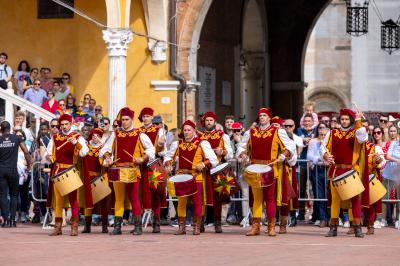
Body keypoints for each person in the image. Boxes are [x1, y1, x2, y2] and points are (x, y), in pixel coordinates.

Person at [236, 107, 296, 236]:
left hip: (271, 169)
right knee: (257, 199)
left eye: (264, 115)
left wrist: (284, 154)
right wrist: (243, 155)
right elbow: (241, 146)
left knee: (269, 199)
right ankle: (255, 226)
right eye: (260, 115)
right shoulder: (250, 132)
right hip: (254, 169)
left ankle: (271, 226)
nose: (262, 117)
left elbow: (290, 145)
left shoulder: (278, 131)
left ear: (269, 117)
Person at [100, 107, 155, 235]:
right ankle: (117, 227)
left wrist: (142, 158)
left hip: (132, 169)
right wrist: (108, 158)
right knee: (118, 199)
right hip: (117, 169)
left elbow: (151, 150)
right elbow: (105, 149)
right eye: (122, 119)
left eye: (126, 119)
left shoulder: (140, 134)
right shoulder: (115, 134)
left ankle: (137, 227)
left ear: (132, 120)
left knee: (134, 197)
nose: (124, 122)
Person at [164, 120, 218, 235]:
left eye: (189, 130)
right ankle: (181, 227)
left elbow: (214, 159)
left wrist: (203, 164)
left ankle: (196, 226)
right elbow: (168, 156)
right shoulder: (177, 144)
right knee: (181, 202)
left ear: (194, 131)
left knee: (197, 202)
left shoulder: (202, 143)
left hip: (196, 176)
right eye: (185, 130)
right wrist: (168, 164)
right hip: (181, 176)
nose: (187, 132)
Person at [321, 108, 367, 238]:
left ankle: (357, 227)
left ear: (351, 120)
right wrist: (325, 155)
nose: (344, 121)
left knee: (355, 200)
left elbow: (363, 136)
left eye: (347, 119)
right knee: (335, 200)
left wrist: (358, 120)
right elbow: (323, 147)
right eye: (342, 119)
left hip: (351, 171)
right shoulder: (332, 133)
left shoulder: (356, 133)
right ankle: (333, 227)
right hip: (336, 170)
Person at [45, 114, 89, 236]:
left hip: (70, 171)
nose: (64, 126)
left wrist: (76, 143)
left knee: (73, 200)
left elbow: (85, 152)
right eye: (62, 124)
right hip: (58, 170)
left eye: (66, 124)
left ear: (71, 124)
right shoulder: (55, 137)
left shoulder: (77, 137)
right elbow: (48, 154)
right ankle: (58, 227)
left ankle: (74, 227)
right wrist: (48, 157)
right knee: (58, 200)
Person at [199, 111, 233, 233]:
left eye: (211, 120)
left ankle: (217, 223)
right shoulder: (199, 135)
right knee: (202, 196)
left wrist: (222, 152)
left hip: (218, 170)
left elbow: (230, 154)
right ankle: (200, 222)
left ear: (215, 122)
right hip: (203, 170)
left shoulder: (223, 136)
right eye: (207, 120)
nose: (209, 122)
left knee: (218, 197)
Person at [137, 107, 167, 233]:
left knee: (156, 192)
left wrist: (160, 146)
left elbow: (163, 150)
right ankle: (138, 221)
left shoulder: (159, 130)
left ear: (152, 117)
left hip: (155, 165)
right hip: (142, 166)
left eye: (148, 116)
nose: (145, 118)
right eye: (143, 116)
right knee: (142, 193)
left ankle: (157, 221)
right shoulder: (137, 131)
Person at [0, 121, 31, 227]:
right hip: (13, 170)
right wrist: (29, 165)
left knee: (3, 195)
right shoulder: (17, 138)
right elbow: (26, 152)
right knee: (14, 195)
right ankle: (13, 221)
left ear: (1, 129)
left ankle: (6, 220)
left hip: (1, 170)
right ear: (10, 129)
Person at [81, 128, 109, 234]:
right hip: (88, 178)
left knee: (103, 202)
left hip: (100, 177)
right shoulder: (86, 148)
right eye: (93, 135)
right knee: (88, 201)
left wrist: (103, 144)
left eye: (97, 135)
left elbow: (106, 162)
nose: (95, 137)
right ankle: (87, 226)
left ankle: (104, 226)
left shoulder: (104, 149)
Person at [307, 122, 329, 228]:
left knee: (329, 194)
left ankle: (330, 217)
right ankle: (322, 218)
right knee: (319, 195)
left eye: (324, 128)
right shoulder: (313, 141)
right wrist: (320, 159)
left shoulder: (329, 140)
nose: (322, 130)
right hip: (317, 169)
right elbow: (309, 155)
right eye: (320, 128)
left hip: (328, 169)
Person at [361, 141, 385, 235]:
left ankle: (370, 226)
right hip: (357, 176)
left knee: (370, 203)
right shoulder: (353, 146)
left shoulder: (375, 148)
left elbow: (382, 162)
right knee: (355, 201)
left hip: (370, 177)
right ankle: (354, 225)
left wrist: (378, 160)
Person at [296, 113, 315, 221]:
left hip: (313, 164)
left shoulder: (316, 130)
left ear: (312, 122)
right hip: (303, 163)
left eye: (309, 121)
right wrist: (303, 140)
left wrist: (307, 140)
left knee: (315, 190)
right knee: (302, 189)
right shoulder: (299, 130)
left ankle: (315, 214)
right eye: (305, 121)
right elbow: (299, 140)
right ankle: (301, 213)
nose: (307, 123)